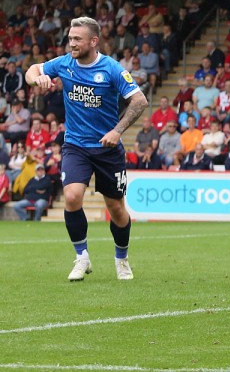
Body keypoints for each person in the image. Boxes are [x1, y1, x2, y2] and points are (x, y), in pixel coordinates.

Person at [25, 16, 148, 281]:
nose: (72, 44)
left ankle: (122, 258)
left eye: (77, 39)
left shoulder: (112, 69)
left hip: (107, 149)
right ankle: (82, 257)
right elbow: (32, 70)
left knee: (116, 209)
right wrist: (39, 80)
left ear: (94, 41)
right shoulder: (64, 63)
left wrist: (117, 131)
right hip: (75, 145)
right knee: (71, 197)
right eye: (70, 38)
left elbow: (139, 101)